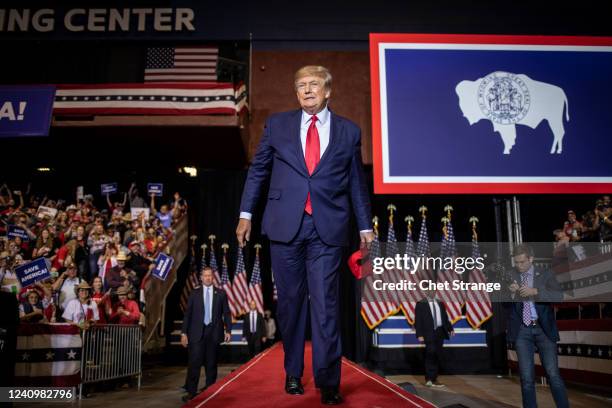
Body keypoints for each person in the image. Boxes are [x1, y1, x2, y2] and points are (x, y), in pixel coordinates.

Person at [236, 65, 373, 405]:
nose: (307, 90)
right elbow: (258, 171)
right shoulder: (278, 125)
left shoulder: (349, 132)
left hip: (327, 229)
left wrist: (365, 225)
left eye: (313, 84)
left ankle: (329, 381)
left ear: (328, 91)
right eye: (300, 85)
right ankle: (293, 373)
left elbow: (356, 182)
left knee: (326, 305)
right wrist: (245, 214)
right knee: (292, 306)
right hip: (285, 227)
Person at [506, 244, 568, 408]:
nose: (518, 266)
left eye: (522, 262)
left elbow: (559, 296)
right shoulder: (510, 274)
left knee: (553, 374)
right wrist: (511, 293)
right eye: (516, 262)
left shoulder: (545, 274)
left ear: (531, 259)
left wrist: (536, 292)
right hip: (522, 331)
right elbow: (503, 303)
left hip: (543, 330)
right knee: (526, 378)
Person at [180, 267, 232, 402]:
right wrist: (184, 333)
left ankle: (210, 391)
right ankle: (191, 392)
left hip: (214, 333)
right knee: (194, 363)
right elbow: (188, 315)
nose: (208, 278)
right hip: (196, 333)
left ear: (212, 277)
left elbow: (226, 313)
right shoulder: (194, 293)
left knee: (211, 363)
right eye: (205, 276)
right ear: (201, 278)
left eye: (210, 275)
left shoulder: (220, 293)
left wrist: (228, 330)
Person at [414, 288, 454, 388]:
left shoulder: (440, 303)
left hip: (440, 332)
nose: (432, 292)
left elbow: (445, 317)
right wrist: (419, 334)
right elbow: (418, 320)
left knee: (437, 355)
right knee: (430, 353)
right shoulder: (421, 304)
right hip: (428, 333)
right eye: (429, 290)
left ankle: (434, 379)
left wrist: (450, 329)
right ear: (426, 292)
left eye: (433, 290)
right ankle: (429, 379)